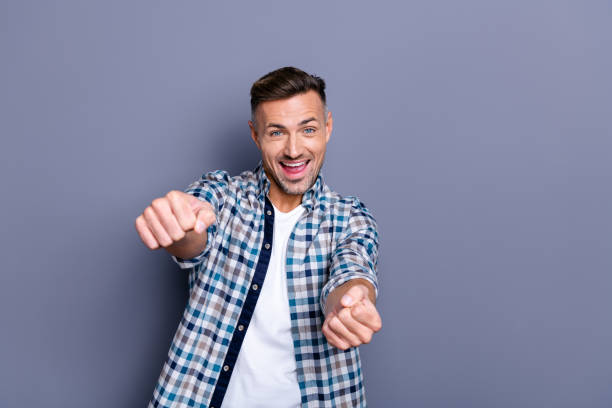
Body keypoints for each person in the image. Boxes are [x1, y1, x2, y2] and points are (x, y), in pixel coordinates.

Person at [135, 67, 382, 408]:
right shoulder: (223, 195)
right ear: (255, 135)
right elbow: (193, 235)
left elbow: (353, 270)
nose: (294, 150)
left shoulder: (349, 217)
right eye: (277, 132)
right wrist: (180, 226)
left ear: (327, 128)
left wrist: (351, 303)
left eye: (308, 129)